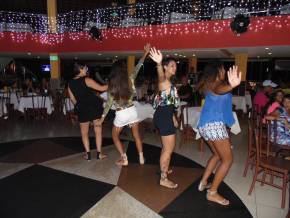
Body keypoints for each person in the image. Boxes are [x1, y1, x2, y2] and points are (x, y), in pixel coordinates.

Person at [97, 43, 151, 166]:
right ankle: (141, 157)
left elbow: (109, 104)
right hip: (133, 111)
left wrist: (102, 119)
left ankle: (124, 158)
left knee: (115, 135)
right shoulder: (130, 78)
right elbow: (138, 65)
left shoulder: (112, 85)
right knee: (136, 135)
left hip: (121, 113)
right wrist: (145, 53)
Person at [196, 62, 241, 206]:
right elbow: (220, 90)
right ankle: (213, 192)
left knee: (216, 155)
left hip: (205, 126)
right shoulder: (216, 86)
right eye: (222, 69)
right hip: (213, 125)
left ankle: (203, 182)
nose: (224, 71)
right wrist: (231, 86)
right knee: (227, 160)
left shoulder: (210, 86)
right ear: (217, 72)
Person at [149, 48, 180, 189]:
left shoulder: (168, 81)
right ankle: (163, 178)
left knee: (166, 147)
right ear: (166, 67)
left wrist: (173, 116)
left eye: (175, 65)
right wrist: (158, 64)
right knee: (169, 149)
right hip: (163, 116)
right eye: (172, 65)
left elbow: (168, 101)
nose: (175, 67)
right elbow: (161, 78)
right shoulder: (164, 80)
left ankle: (164, 169)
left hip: (164, 115)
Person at [68, 63, 108, 161]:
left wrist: (80, 105)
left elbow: (72, 99)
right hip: (94, 107)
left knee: (84, 133)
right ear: (80, 69)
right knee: (98, 131)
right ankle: (99, 154)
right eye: (85, 68)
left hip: (82, 109)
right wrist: (113, 83)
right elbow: (103, 88)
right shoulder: (87, 79)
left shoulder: (70, 83)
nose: (87, 69)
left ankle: (88, 155)